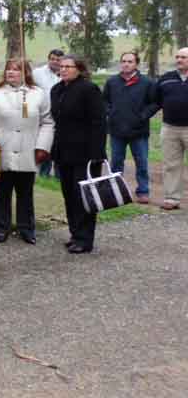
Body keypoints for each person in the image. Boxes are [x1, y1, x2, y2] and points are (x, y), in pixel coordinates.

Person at [0, 58, 54, 244]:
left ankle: (26, 228)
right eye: (8, 69)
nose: (10, 72)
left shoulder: (38, 94)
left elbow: (48, 122)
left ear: (25, 72)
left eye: (15, 69)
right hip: (1, 151)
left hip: (28, 150)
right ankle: (1, 228)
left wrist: (42, 147)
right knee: (2, 190)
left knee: (25, 192)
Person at [50, 55, 107, 254]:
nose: (63, 69)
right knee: (69, 194)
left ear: (79, 69)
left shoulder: (88, 89)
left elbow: (99, 122)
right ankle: (75, 234)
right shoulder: (57, 90)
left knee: (84, 195)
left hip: (86, 153)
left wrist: (97, 153)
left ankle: (85, 239)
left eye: (68, 66)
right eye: (61, 66)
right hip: (63, 151)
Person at [103, 52, 158, 205]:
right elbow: (104, 101)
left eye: (130, 61)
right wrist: (111, 113)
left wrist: (143, 116)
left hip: (139, 131)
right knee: (116, 163)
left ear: (136, 64)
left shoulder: (147, 82)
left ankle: (143, 192)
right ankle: (115, 192)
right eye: (124, 61)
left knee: (141, 163)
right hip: (117, 130)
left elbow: (155, 103)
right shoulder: (112, 82)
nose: (126, 64)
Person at [156, 47, 188, 210]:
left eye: (183, 57)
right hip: (170, 127)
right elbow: (157, 100)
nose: (179, 60)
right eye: (177, 57)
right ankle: (172, 198)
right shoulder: (166, 78)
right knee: (171, 164)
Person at [33, 49, 64, 176]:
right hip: (44, 116)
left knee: (60, 145)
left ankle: (59, 174)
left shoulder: (66, 72)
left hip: (62, 116)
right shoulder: (38, 73)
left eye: (58, 60)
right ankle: (44, 173)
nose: (55, 62)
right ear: (48, 59)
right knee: (45, 144)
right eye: (52, 59)